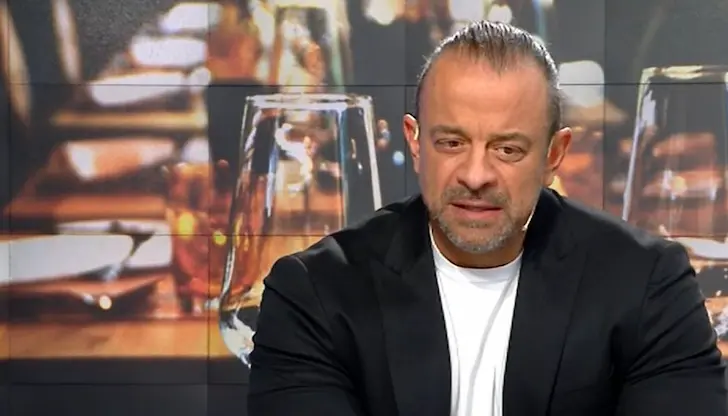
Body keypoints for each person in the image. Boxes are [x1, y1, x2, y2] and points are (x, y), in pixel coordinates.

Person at [247, 20, 727, 416]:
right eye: (451, 143)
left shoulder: (646, 283)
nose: (475, 175)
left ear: (554, 154)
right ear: (415, 142)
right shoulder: (315, 292)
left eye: (507, 149)